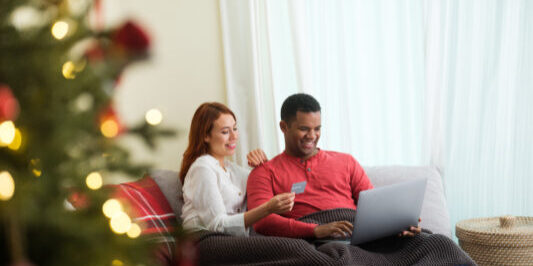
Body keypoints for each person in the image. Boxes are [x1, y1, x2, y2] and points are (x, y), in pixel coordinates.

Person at [247, 93, 421, 239]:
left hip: (353, 232)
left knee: (436, 243)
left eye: (317, 128)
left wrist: (397, 222)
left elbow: (374, 208)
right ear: (284, 127)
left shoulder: (346, 161)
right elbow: (263, 221)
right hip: (310, 239)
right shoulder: (264, 171)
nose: (312, 135)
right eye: (304, 129)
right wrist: (315, 230)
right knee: (335, 256)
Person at [180, 102, 295, 237]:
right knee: (292, 248)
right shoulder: (202, 168)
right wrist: (268, 208)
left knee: (297, 243)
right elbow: (217, 225)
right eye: (225, 131)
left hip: (233, 240)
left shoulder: (234, 170)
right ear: (206, 136)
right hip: (204, 240)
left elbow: (272, 187)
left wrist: (263, 167)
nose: (234, 137)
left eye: (234, 129)